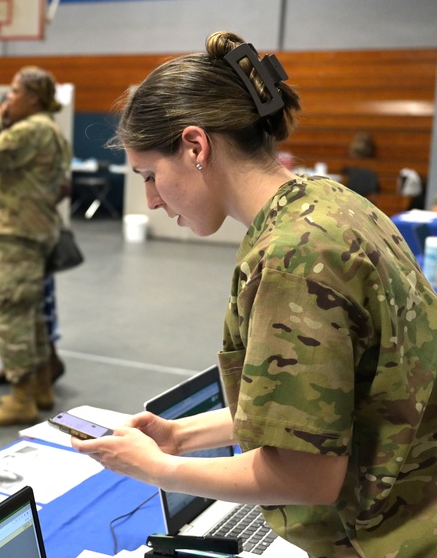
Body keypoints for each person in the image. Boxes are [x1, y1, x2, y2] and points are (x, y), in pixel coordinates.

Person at [72, 31, 437, 556]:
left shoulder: (293, 256)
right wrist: (182, 435)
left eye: (151, 175)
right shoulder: (326, 202)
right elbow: (321, 410)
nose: (151, 199)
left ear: (196, 146)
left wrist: (160, 468)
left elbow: (305, 476)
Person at [0, 66, 71, 426]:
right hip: (35, 230)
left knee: (11, 312)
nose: (8, 98)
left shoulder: (30, 130)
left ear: (32, 97)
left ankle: (21, 397)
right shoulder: (51, 131)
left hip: (18, 233)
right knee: (32, 315)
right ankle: (41, 386)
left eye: (14, 92)